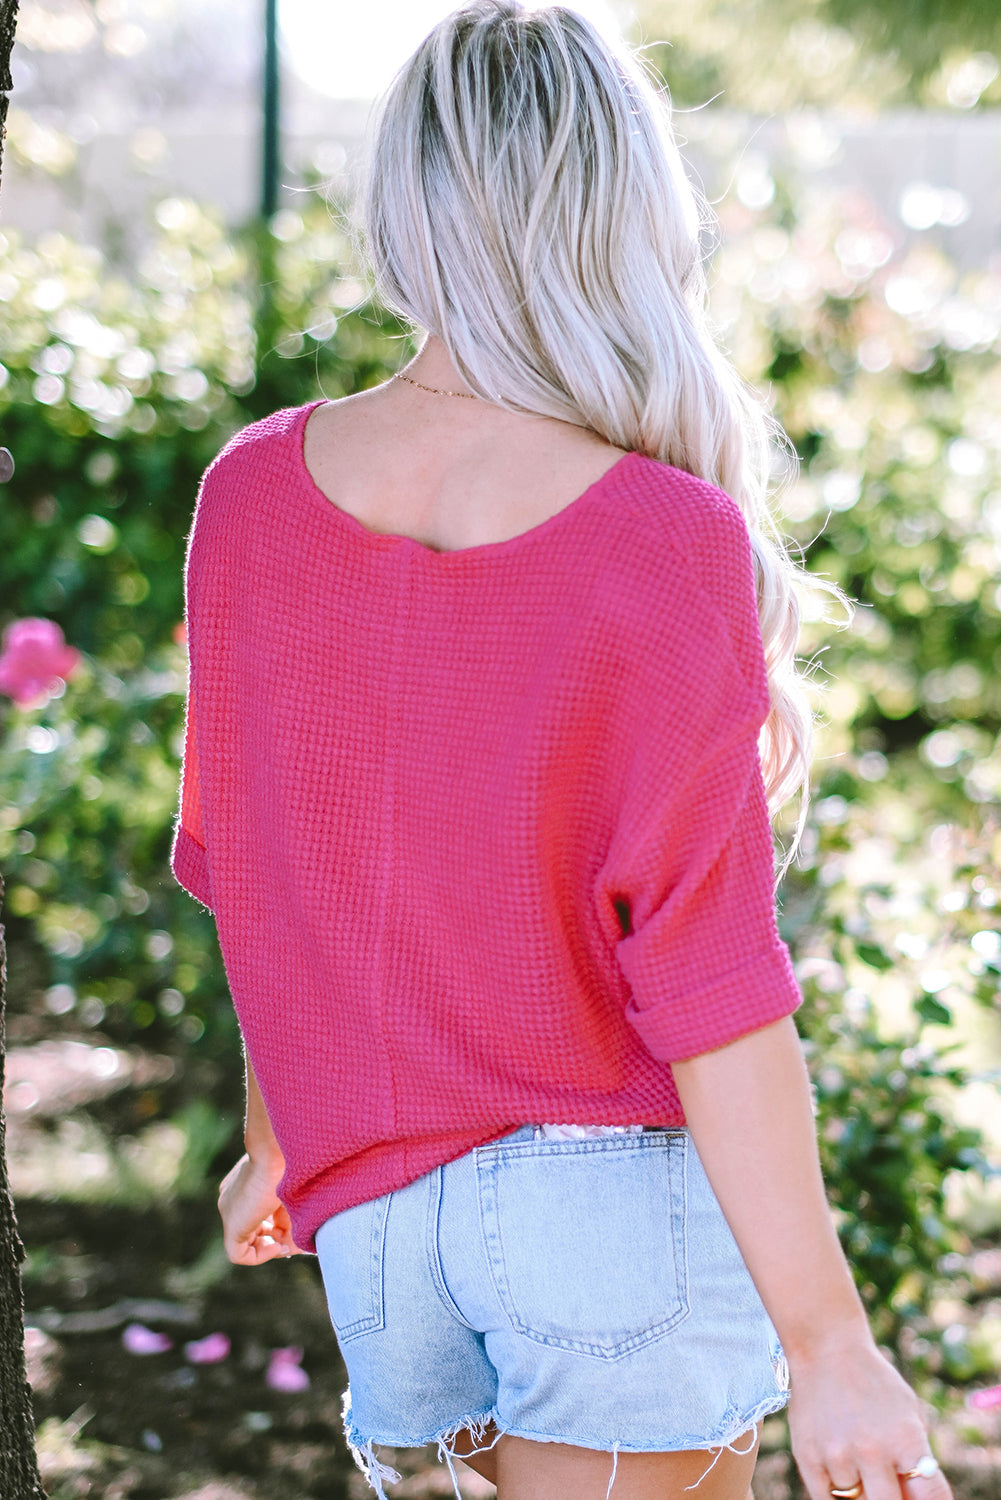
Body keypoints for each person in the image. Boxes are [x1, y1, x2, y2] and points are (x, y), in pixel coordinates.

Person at [170, 5, 955, 1499]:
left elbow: (260, 867)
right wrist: (831, 1345)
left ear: (405, 203)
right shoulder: (664, 533)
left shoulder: (252, 492)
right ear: (626, 209)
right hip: (609, 1222)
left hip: (378, 1231)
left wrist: (276, 1140)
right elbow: (707, 976)